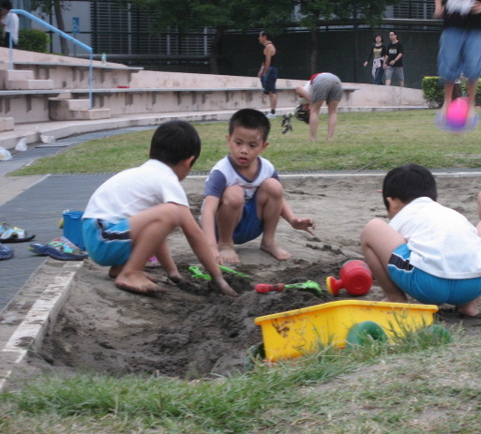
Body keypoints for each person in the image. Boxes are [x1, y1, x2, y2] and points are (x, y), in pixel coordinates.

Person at [82, 120, 237, 297]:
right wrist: (218, 278)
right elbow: (194, 234)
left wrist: (173, 273)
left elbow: (155, 235)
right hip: (103, 238)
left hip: (98, 236)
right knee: (171, 213)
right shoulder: (166, 179)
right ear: (189, 161)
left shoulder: (145, 174)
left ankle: (122, 268)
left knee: (162, 217)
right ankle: (130, 273)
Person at [361, 164, 481, 317]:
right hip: (475, 283)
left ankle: (394, 298)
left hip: (428, 285)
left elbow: (388, 253)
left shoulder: (403, 215)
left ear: (392, 202)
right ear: (436, 199)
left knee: (372, 228)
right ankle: (470, 305)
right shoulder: (448, 213)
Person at [200, 108, 315, 265]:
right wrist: (211, 247)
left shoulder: (267, 167)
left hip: (252, 225)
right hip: (221, 227)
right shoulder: (221, 171)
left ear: (263, 146)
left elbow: (278, 197)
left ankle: (268, 241)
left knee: (273, 186)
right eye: (238, 143)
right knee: (234, 193)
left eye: (252, 145)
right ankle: (225, 245)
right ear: (229, 140)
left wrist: (293, 220)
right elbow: (208, 209)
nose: (244, 151)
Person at [434, 0, 481, 124]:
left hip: (474, 25)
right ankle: (447, 101)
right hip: (452, 23)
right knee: (449, 64)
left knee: (473, 66)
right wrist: (438, 6)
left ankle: (471, 103)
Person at [294, 72, 342, 142]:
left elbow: (298, 88)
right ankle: (330, 139)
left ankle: (313, 138)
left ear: (304, 108)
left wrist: (312, 101)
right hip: (336, 79)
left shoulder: (302, 100)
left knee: (314, 110)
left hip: (321, 79)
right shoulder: (305, 103)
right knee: (333, 112)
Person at [258, 30, 278, 118]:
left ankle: (273, 112)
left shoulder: (269, 47)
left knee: (272, 92)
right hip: (269, 70)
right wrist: (261, 71)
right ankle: (271, 111)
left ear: (264, 37)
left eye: (260, 36)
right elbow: (264, 61)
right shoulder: (266, 47)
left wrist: (265, 71)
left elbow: (268, 61)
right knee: (270, 92)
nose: (259, 38)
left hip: (271, 70)